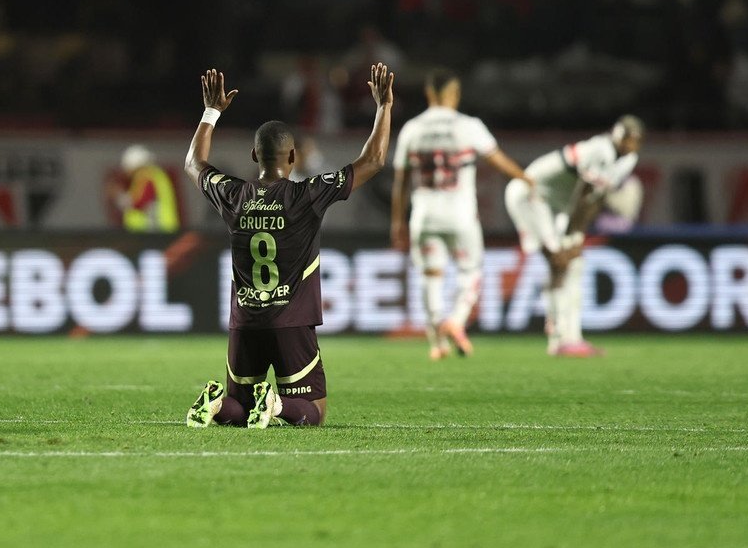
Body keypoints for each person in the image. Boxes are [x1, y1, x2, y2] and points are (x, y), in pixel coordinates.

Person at [184, 63, 393, 428]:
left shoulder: (234, 194)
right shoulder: (305, 195)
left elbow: (193, 163)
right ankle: (278, 406)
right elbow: (373, 161)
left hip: (246, 321)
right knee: (316, 411)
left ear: (253, 157)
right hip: (291, 322)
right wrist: (383, 107)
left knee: (239, 405)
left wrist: (211, 111)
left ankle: (216, 404)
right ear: (293, 158)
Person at [390, 68, 532, 360]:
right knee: (471, 271)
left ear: (429, 93)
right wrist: (526, 179)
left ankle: (436, 344)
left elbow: (401, 182)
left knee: (431, 277)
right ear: (454, 94)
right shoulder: (468, 126)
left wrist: (397, 221)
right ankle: (456, 320)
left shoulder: (412, 129)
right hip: (461, 216)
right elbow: (498, 160)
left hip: (424, 216)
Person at [504, 116, 644, 357]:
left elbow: (597, 198)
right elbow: (584, 194)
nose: (626, 145)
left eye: (631, 141)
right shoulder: (600, 150)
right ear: (615, 135)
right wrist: (575, 238)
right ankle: (560, 336)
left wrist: (575, 239)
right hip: (531, 196)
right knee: (560, 259)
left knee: (573, 263)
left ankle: (568, 336)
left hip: (555, 206)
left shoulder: (628, 160)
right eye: (623, 139)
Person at [111, 145, 180, 233]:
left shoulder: (147, 177)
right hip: (160, 229)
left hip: (155, 230)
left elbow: (140, 202)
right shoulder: (154, 176)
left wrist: (119, 197)